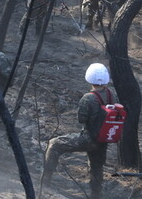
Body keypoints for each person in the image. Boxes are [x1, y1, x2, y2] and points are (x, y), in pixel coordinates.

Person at [41, 63, 122, 199]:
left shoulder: (88, 97)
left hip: (88, 138)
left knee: (54, 144)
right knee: (97, 169)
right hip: (103, 139)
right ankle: (96, 195)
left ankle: (45, 182)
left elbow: (81, 119)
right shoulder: (111, 94)